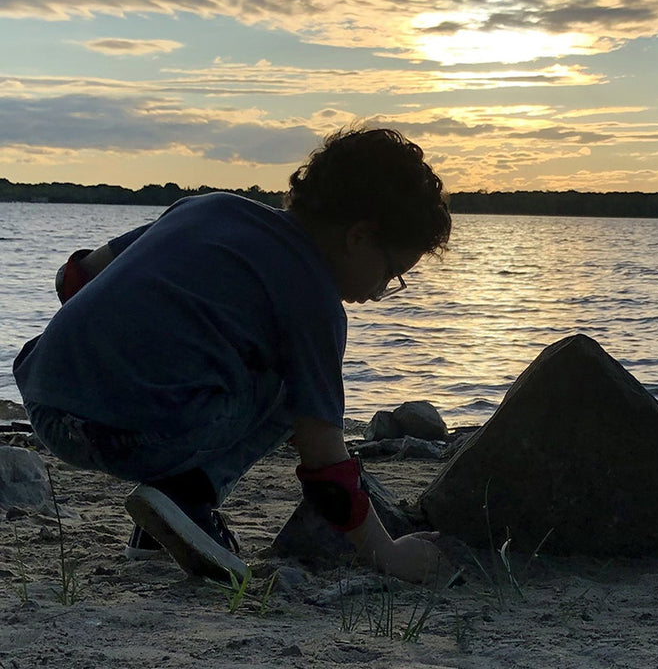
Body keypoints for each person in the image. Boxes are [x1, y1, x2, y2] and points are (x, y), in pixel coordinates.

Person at [13, 128, 451, 585]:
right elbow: (326, 466)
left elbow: (75, 278)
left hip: (45, 401)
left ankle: (160, 527)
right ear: (359, 237)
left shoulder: (210, 207)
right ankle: (186, 497)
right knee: (295, 390)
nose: (381, 291)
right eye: (391, 273)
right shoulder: (314, 298)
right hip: (132, 435)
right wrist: (388, 553)